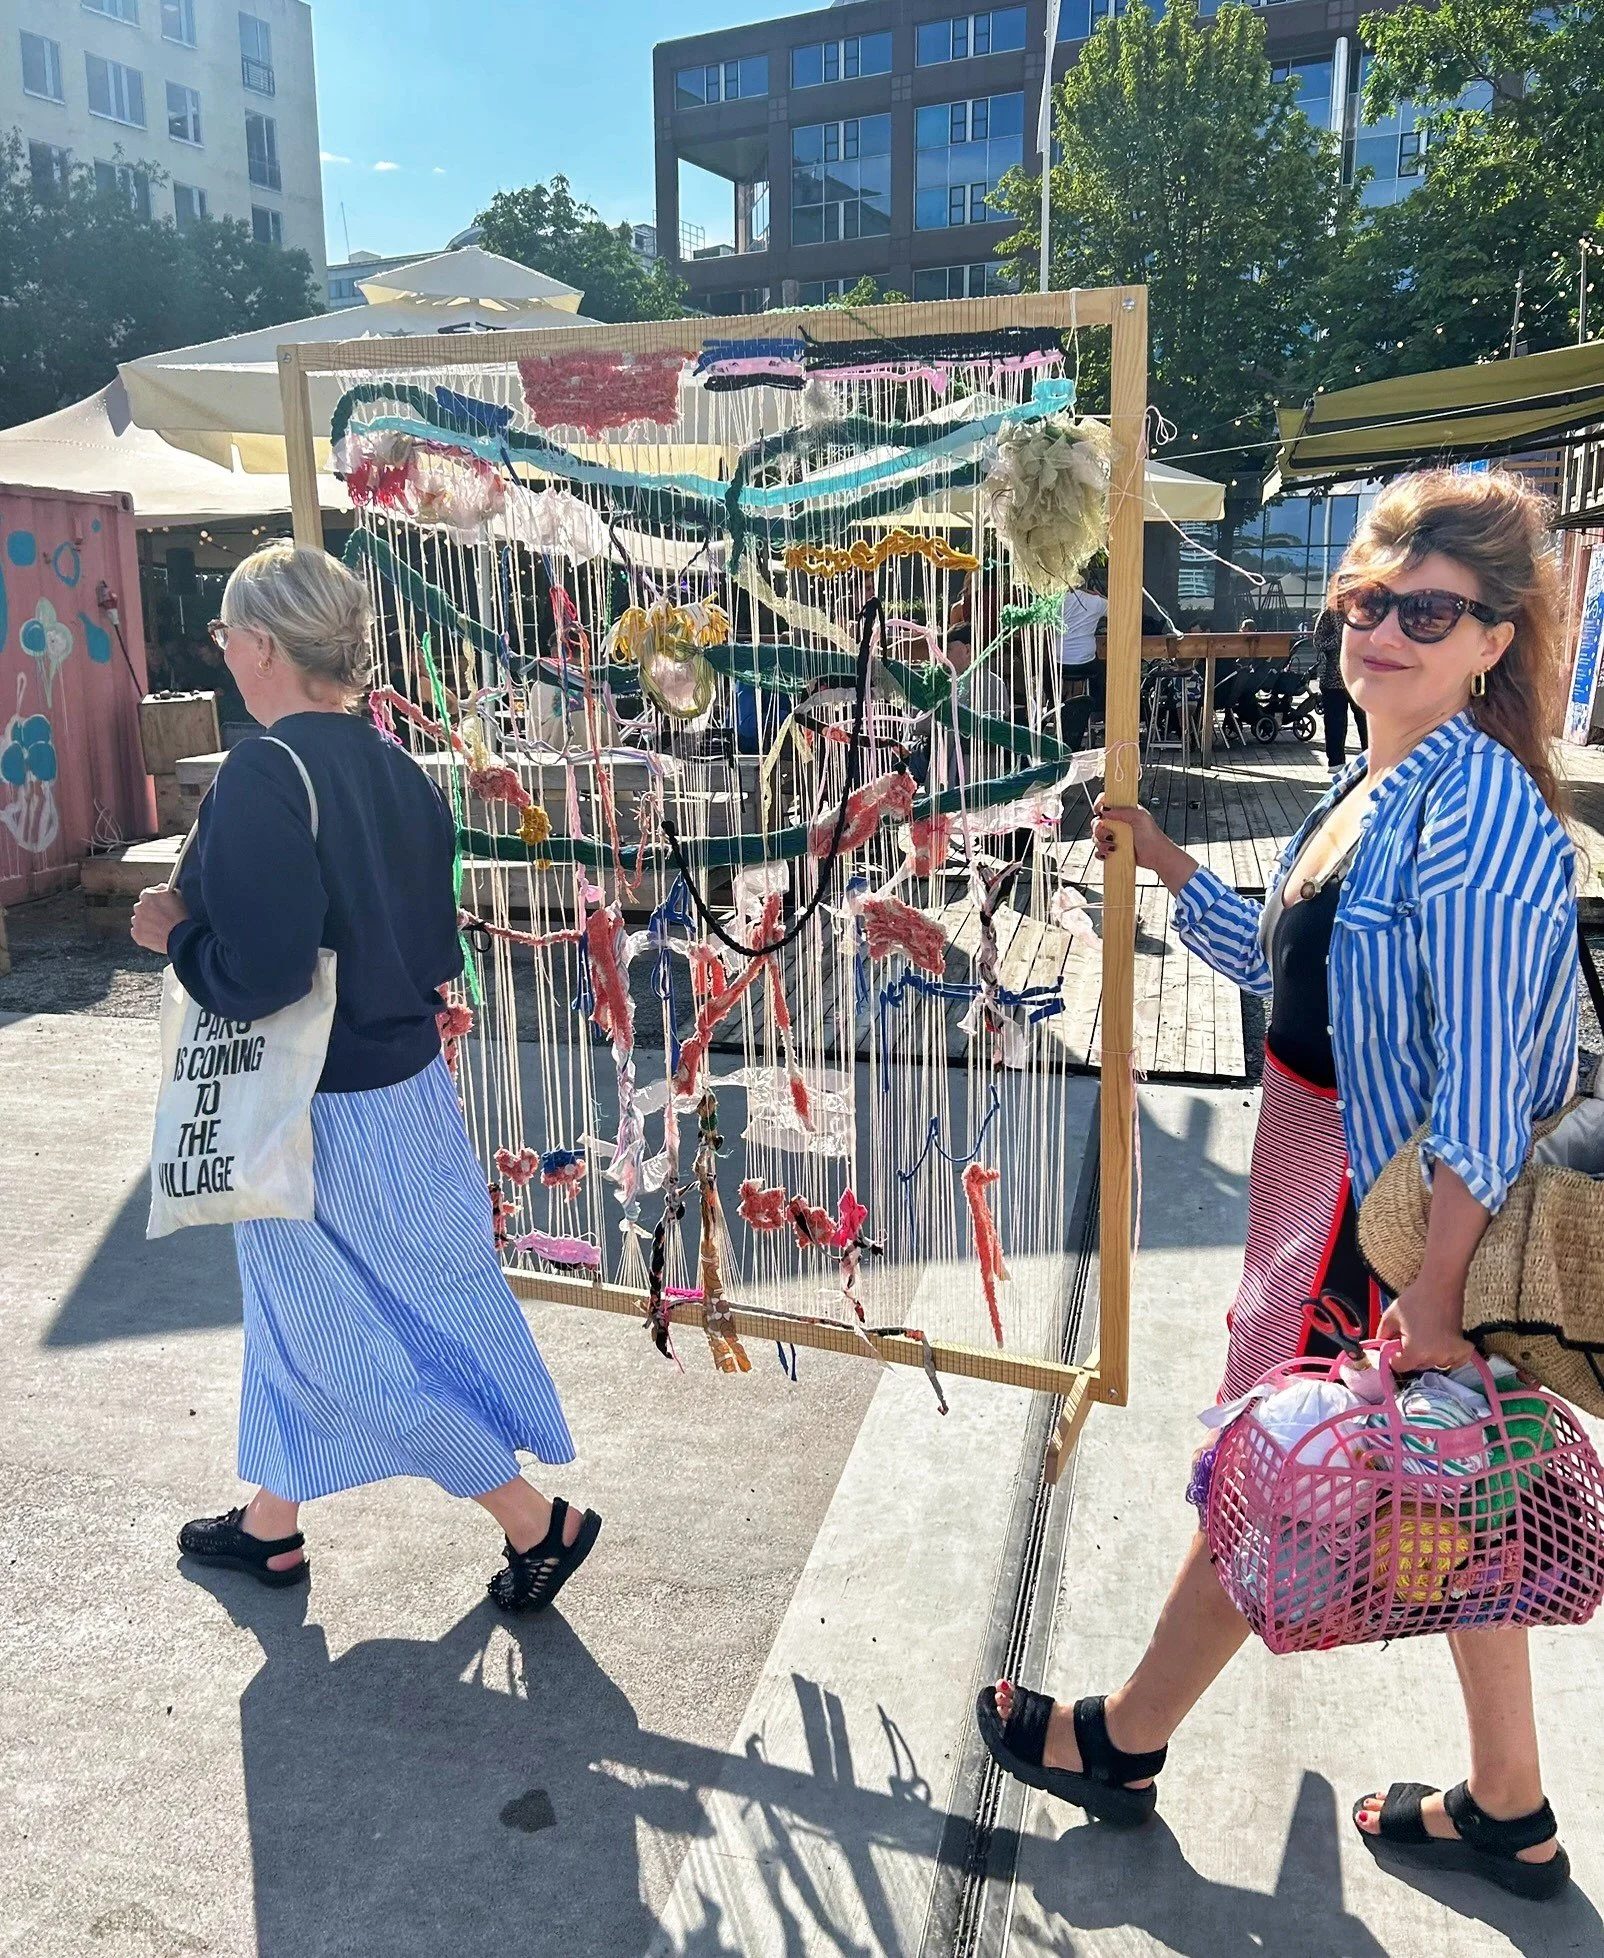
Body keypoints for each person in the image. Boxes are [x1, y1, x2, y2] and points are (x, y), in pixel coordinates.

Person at [976, 470, 1581, 1902]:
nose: (1381, 630)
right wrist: (1166, 861)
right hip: (1330, 1179)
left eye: (1426, 611)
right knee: (1450, 1480)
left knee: (1283, 1471)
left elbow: (1485, 1090)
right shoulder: (1381, 781)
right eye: (1367, 600)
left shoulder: (1479, 815)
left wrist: (1434, 1292)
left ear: (1494, 637)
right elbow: (1286, 967)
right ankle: (1509, 1805)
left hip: (1388, 1215)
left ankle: (1124, 1737)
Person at [131, 543, 598, 1613]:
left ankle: (537, 1520)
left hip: (312, 1107)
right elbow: (431, 944)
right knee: (318, 1315)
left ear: (260, 643)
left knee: (339, 1341)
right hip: (406, 1094)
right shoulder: (395, 765)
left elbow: (265, 974)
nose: (222, 651)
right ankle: (271, 1524)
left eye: (226, 634)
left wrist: (177, 937)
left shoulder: (265, 769)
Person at [1056, 564, 1110, 751]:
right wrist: (1099, 595)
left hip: (1059, 660)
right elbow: (1116, 610)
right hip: (1085, 661)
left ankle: (1062, 710)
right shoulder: (1095, 602)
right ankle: (1088, 712)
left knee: (1063, 679)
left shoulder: (1058, 600)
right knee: (1099, 673)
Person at [1315, 603, 1368, 774]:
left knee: (1366, 720)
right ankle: (1336, 761)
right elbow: (1318, 641)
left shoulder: (1365, 611)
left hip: (1360, 677)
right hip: (1333, 679)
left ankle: (1371, 757)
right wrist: (1340, 639)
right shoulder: (1329, 614)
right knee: (1335, 723)